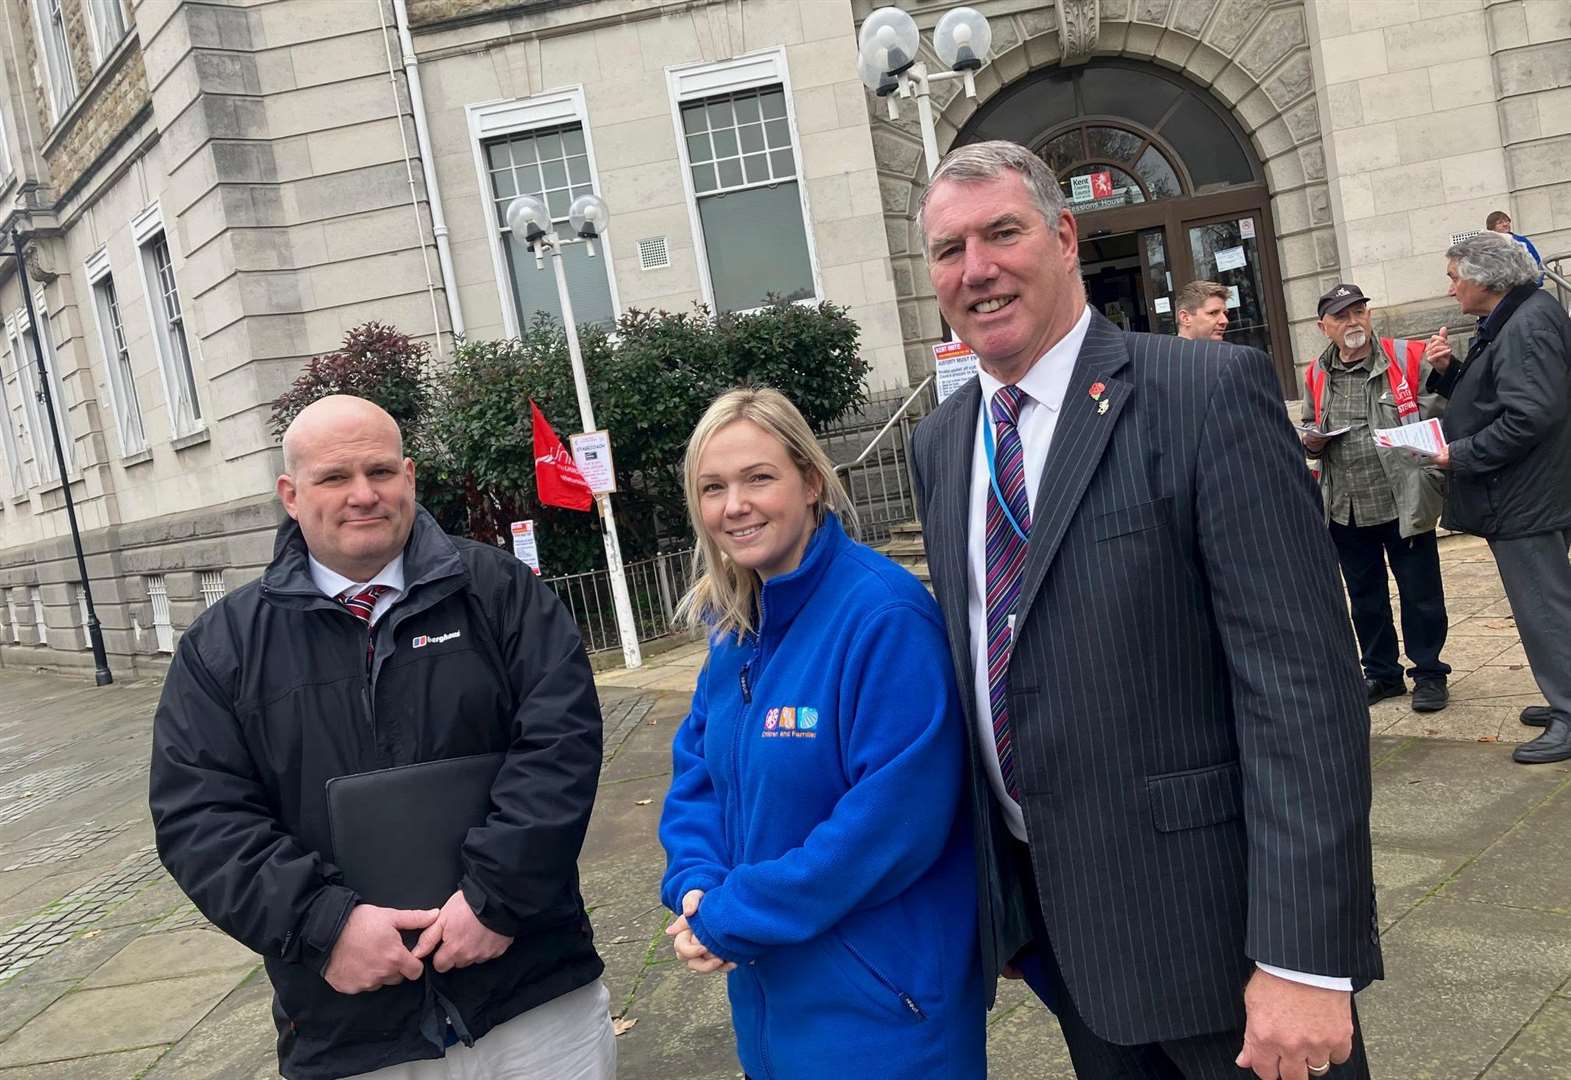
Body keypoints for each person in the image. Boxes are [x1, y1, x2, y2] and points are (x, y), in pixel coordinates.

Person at [910, 140, 1381, 1079]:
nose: (977, 270)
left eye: (1002, 233)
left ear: (1064, 236)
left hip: (1225, 947)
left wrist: (1303, 955)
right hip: (1068, 939)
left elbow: (1303, 689)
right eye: (948, 249)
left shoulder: (1202, 395)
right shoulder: (942, 441)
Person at [149, 396, 614, 1080]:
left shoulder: (498, 594)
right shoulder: (223, 649)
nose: (363, 495)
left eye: (380, 471)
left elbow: (559, 745)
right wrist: (325, 926)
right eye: (335, 478)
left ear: (410, 476)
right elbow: (200, 816)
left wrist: (497, 898)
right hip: (351, 1024)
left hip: (532, 998)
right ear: (291, 495)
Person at [658, 388, 984, 1079]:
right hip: (772, 1016)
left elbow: (889, 826)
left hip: (884, 1022)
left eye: (758, 477)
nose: (733, 505)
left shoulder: (883, 616)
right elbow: (698, 773)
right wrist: (695, 881)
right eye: (712, 487)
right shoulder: (732, 627)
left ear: (810, 481)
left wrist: (734, 913)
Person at [1424, 232, 1571, 765]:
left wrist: (1457, 455)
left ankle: (1569, 710)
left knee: (1543, 605)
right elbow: (1501, 393)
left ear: (1485, 279)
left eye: (1453, 277)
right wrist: (1449, 374)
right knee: (1552, 598)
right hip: (1533, 487)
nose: (1450, 289)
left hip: (1524, 494)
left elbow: (1529, 415)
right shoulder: (1522, 312)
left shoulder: (1527, 322)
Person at [1300, 283, 1451, 711]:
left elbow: (1443, 412)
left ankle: (1428, 674)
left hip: (1402, 498)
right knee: (1365, 598)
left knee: (1420, 592)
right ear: (1323, 327)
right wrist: (1311, 442)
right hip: (1346, 505)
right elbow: (1311, 422)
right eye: (1341, 316)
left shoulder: (1408, 356)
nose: (1353, 322)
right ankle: (1382, 674)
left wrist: (1444, 371)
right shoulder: (1315, 372)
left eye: (1359, 312)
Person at [1486, 210, 1544, 283]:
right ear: (1492, 227)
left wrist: (1537, 282)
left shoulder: (1521, 240)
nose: (1505, 224)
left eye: (1507, 221)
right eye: (1500, 223)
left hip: (1527, 284)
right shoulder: (1487, 246)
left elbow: (1537, 261)